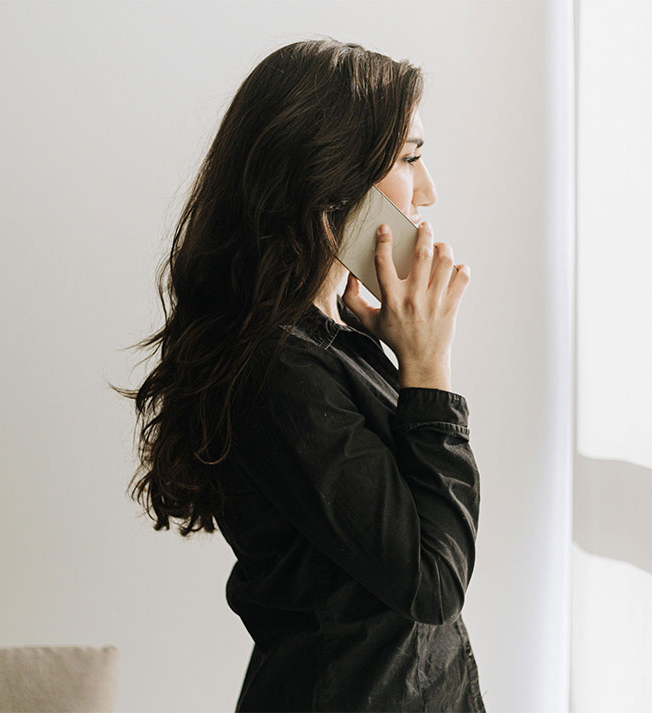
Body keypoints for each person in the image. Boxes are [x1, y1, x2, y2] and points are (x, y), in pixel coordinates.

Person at [115, 36, 486, 712]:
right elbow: (433, 581)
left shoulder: (323, 347)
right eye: (410, 159)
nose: (427, 192)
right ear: (330, 179)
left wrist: (405, 363)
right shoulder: (280, 371)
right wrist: (430, 367)